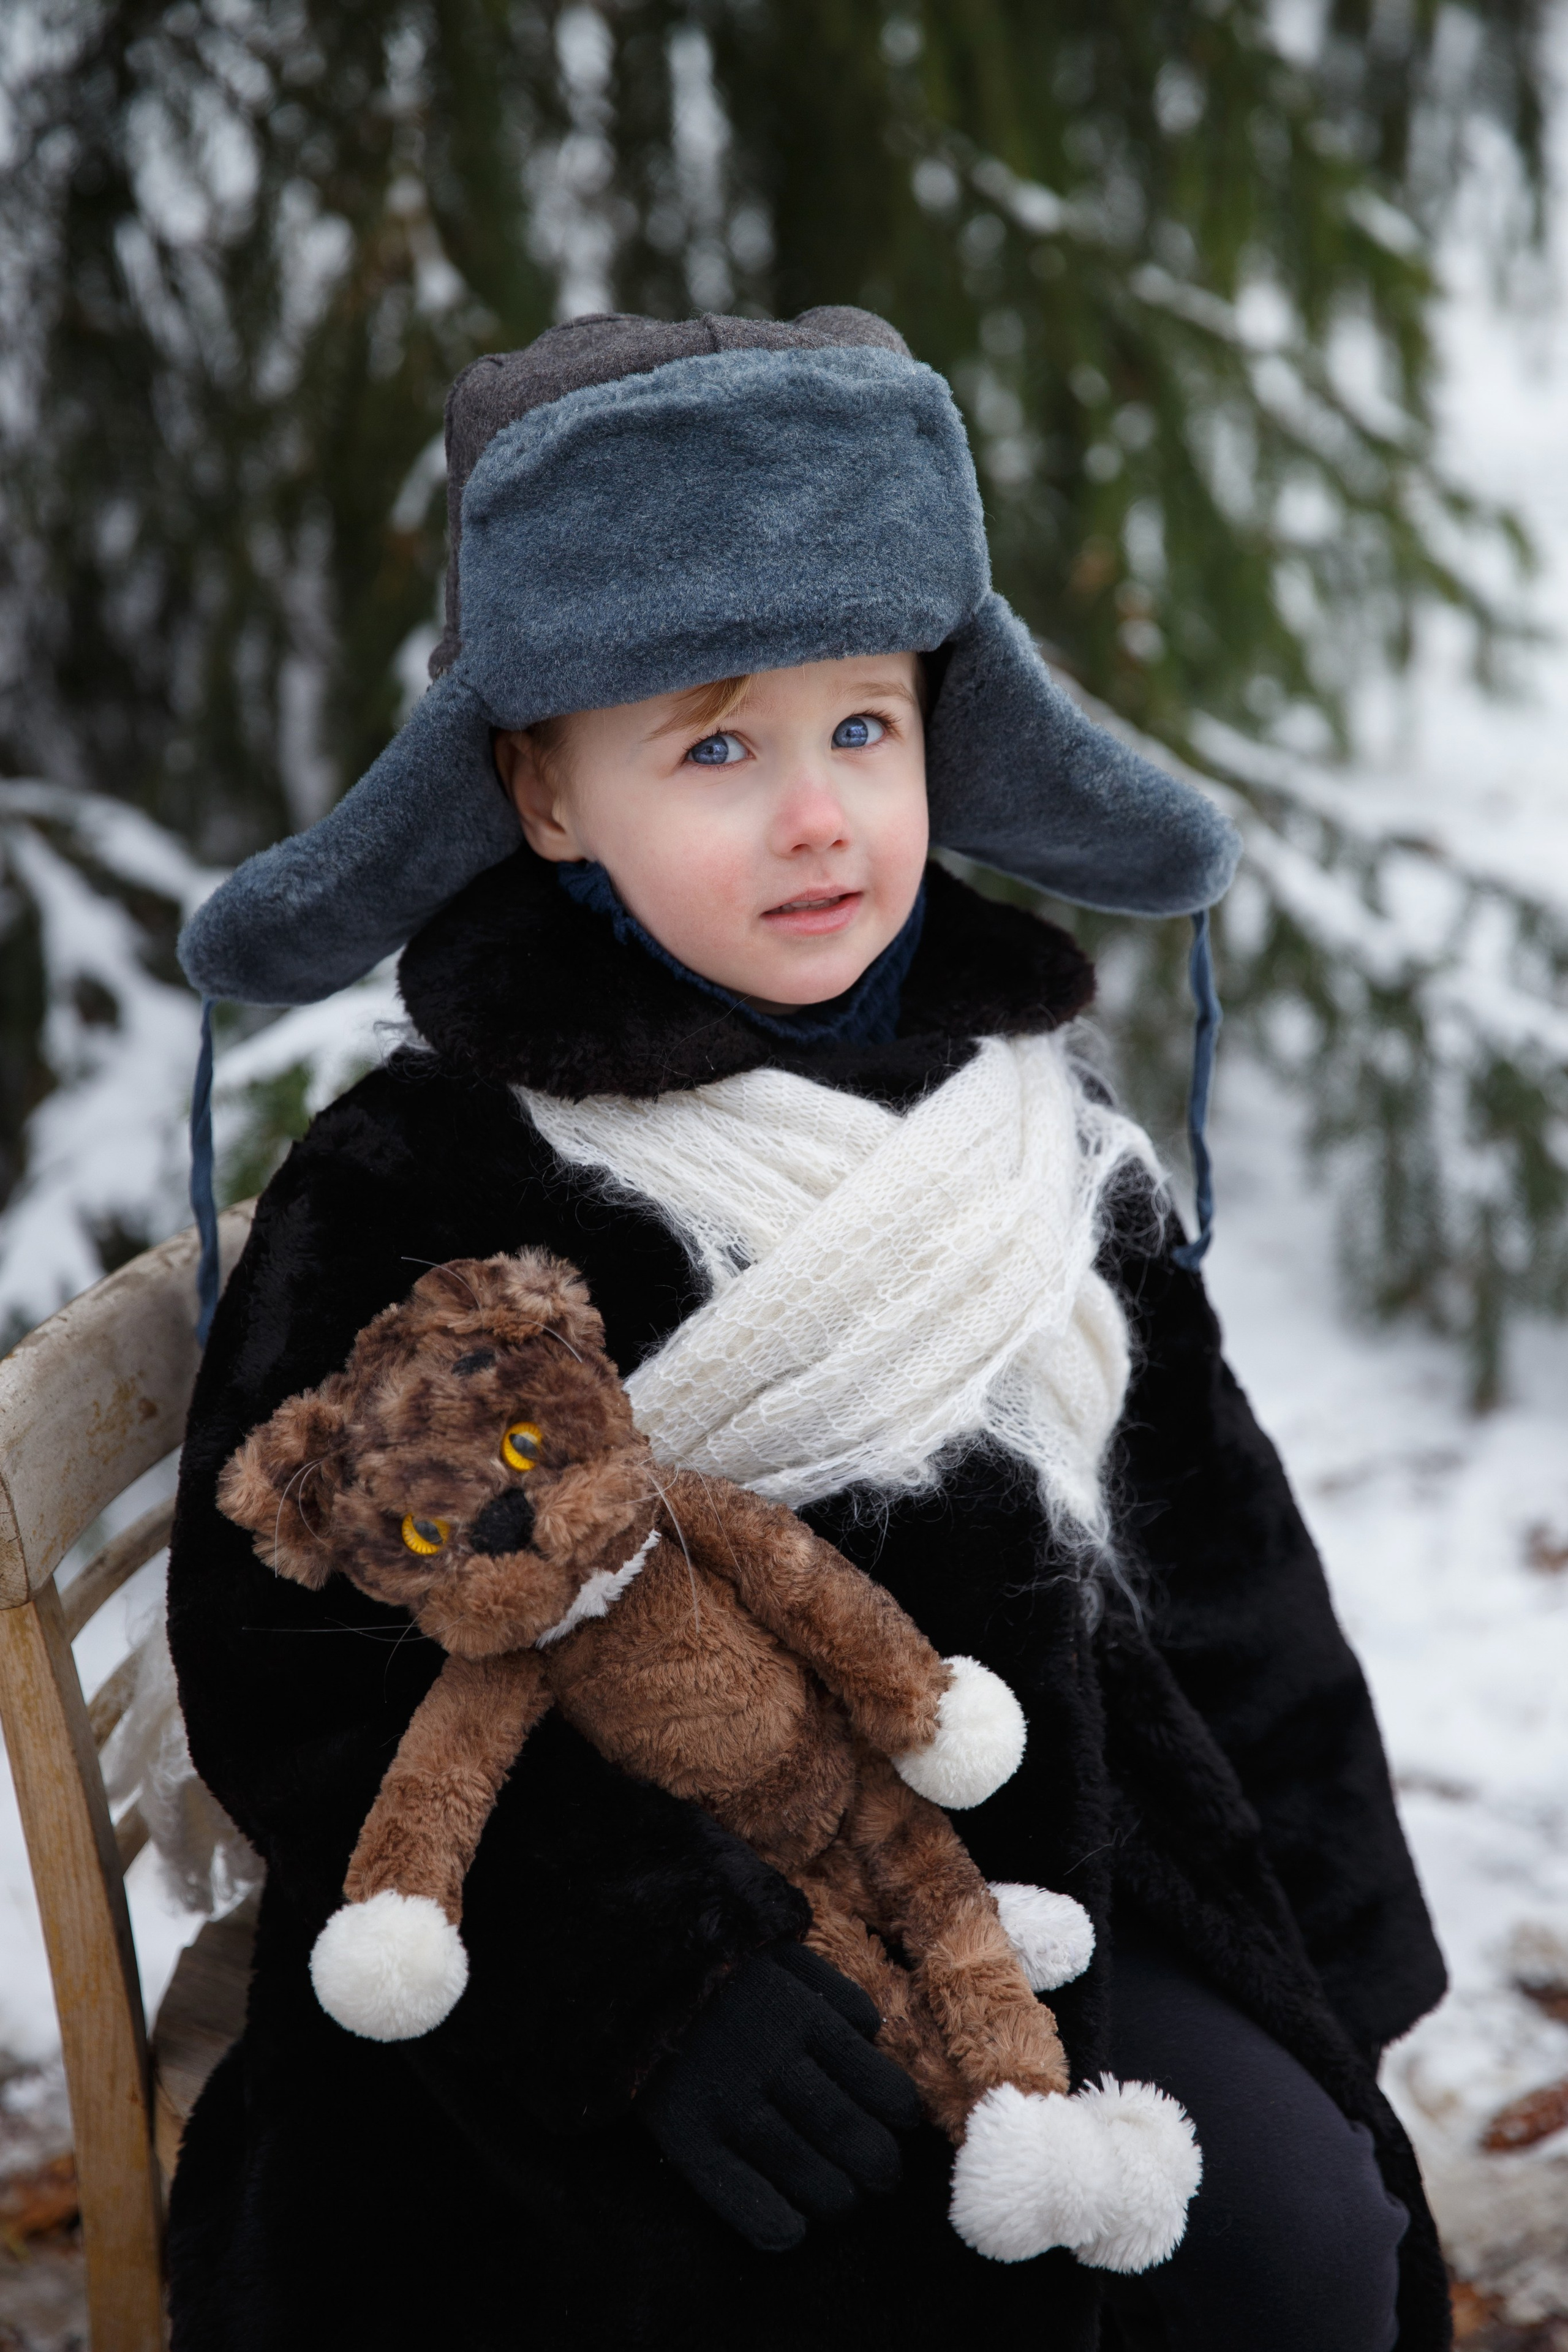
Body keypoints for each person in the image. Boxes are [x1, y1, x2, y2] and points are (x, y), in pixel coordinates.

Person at [165, 309, 1450, 2352]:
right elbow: (296, 1658)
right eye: (714, 747)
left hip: (1055, 1882)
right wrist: (652, 1992)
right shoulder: (435, 1179)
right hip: (625, 1949)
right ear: (550, 796)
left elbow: (1215, 1557)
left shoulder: (1029, 1127)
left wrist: (1335, 1970)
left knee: (1296, 2258)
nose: (818, 817)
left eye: (864, 729)